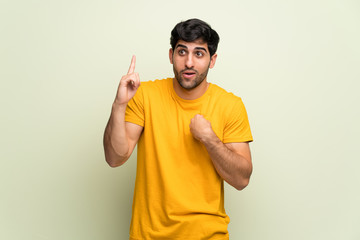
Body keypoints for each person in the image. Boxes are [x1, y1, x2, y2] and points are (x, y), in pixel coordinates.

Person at [103, 18, 253, 240]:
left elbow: (241, 180)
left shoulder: (230, 105)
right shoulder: (145, 95)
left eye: (199, 54)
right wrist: (119, 104)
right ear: (171, 55)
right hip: (149, 235)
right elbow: (115, 158)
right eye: (182, 52)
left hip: (208, 235)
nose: (189, 62)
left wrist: (210, 140)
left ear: (212, 60)